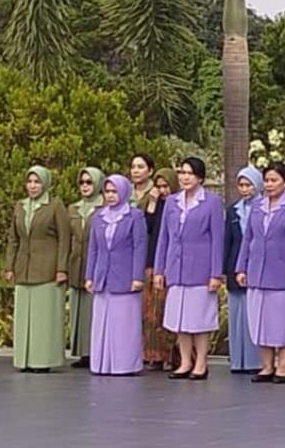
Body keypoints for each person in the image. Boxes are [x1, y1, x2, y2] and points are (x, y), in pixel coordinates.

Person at [236, 161, 285, 385]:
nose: (269, 185)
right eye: (267, 180)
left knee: (284, 322)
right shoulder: (257, 207)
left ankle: (282, 366)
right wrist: (241, 267)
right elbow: (248, 238)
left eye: (274, 180)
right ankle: (267, 366)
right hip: (258, 272)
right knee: (261, 321)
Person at [154, 157, 225, 380]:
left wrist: (215, 273)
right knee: (180, 320)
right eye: (182, 172)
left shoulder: (211, 202)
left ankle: (201, 363)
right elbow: (163, 238)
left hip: (200, 270)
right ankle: (185, 361)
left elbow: (217, 239)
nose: (185, 177)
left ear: (200, 177)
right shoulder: (172, 202)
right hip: (177, 268)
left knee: (200, 321)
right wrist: (159, 269)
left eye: (190, 173)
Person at [5, 165, 71, 373]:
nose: (32, 186)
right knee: (24, 317)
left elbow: (65, 239)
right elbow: (13, 239)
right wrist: (10, 266)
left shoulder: (55, 206)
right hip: (24, 268)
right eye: (30, 181)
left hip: (47, 269)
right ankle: (23, 359)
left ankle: (42, 361)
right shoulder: (20, 206)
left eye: (37, 182)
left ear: (45, 183)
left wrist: (62, 268)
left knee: (44, 318)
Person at [85, 175, 147, 376]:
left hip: (125, 277)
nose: (110, 196)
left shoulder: (135, 216)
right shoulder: (98, 217)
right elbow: (93, 249)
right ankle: (102, 364)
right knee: (102, 322)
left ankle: (125, 364)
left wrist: (137, 276)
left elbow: (140, 247)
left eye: (114, 191)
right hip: (103, 277)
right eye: (107, 192)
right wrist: (90, 276)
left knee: (124, 323)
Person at [224, 167, 264, 374]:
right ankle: (237, 360)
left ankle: (255, 361)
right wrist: (225, 269)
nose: (245, 189)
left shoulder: (265, 208)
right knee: (237, 313)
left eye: (249, 184)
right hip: (235, 265)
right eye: (241, 185)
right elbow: (228, 241)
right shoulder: (233, 210)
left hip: (256, 264)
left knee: (253, 313)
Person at [67, 167, 105, 369]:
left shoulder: (104, 207)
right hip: (76, 264)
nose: (84, 186)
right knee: (78, 310)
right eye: (82, 182)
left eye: (89, 182)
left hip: (96, 265)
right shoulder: (73, 209)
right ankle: (82, 352)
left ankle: (95, 351)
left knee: (93, 310)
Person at [143, 168, 180, 371]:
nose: (163, 191)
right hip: (152, 262)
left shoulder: (178, 207)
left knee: (169, 311)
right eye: (159, 187)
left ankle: (175, 355)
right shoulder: (157, 206)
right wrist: (152, 203)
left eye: (166, 186)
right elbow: (147, 228)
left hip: (171, 264)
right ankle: (155, 356)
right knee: (152, 313)